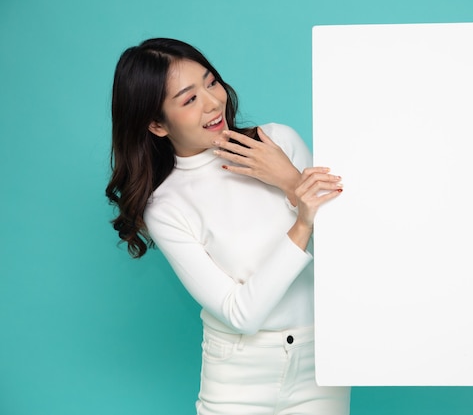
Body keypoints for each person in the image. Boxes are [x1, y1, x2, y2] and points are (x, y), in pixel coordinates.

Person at [105, 37, 350, 414]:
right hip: (236, 379)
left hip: (320, 363)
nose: (213, 102)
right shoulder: (167, 206)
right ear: (156, 124)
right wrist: (302, 220)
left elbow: (350, 248)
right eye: (189, 99)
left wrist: (288, 180)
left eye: (211, 82)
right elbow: (241, 314)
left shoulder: (279, 141)